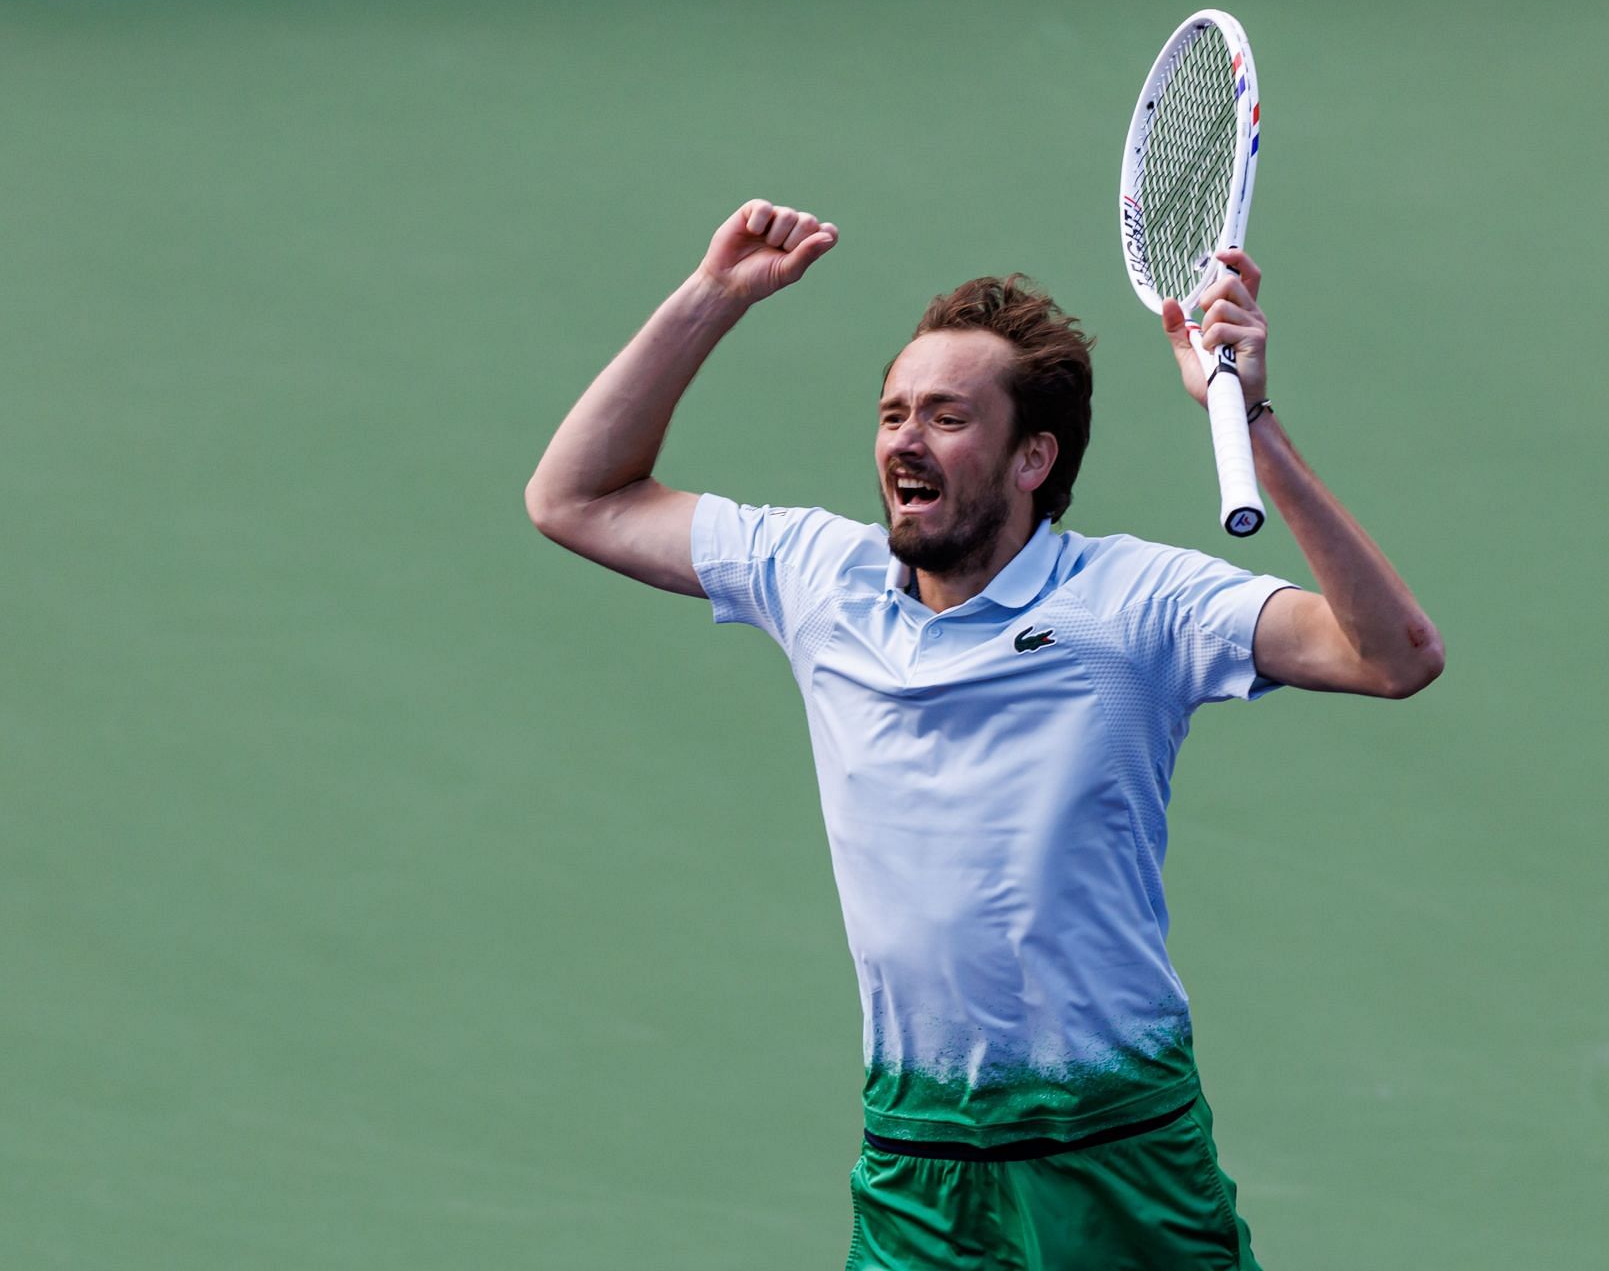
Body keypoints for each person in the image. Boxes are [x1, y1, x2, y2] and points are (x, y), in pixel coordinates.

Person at [526, 200, 1443, 1270]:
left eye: (947, 417)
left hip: (1114, 1151)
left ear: (1032, 459)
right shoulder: (817, 575)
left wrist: (1255, 426)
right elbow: (575, 496)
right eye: (892, 412)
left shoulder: (1132, 602)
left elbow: (1392, 655)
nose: (905, 438)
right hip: (919, 1157)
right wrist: (711, 300)